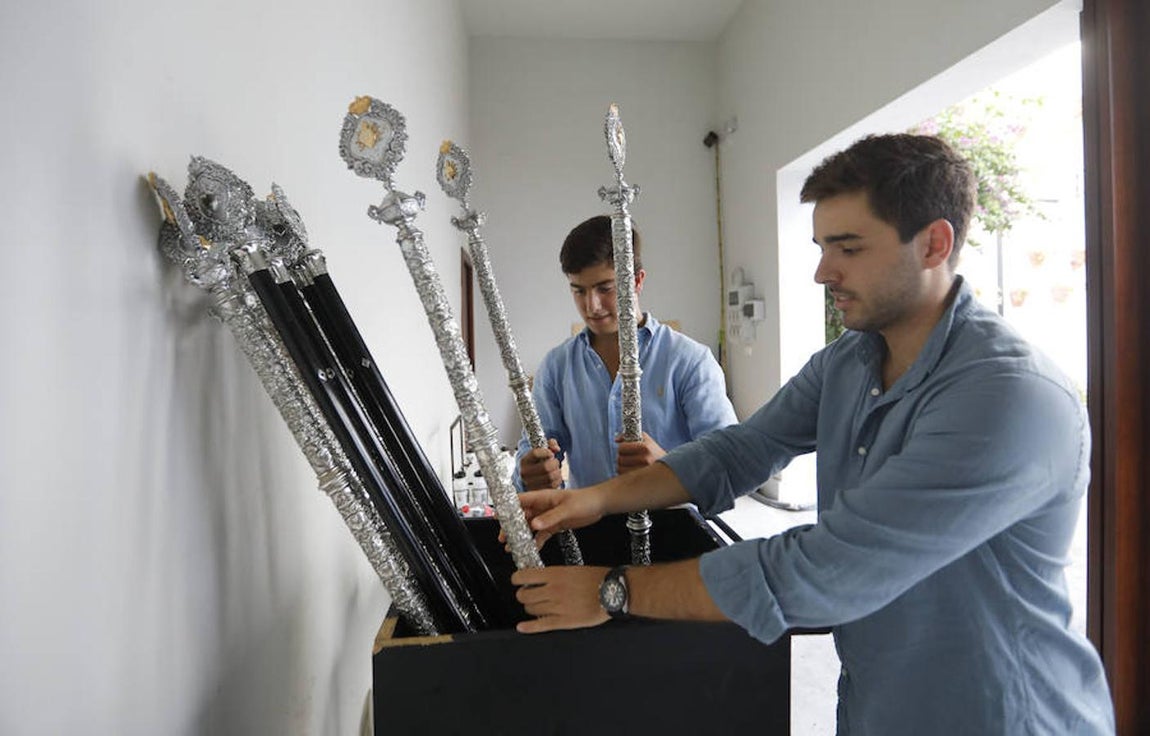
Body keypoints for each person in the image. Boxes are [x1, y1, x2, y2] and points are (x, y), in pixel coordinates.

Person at [511, 135, 1115, 734]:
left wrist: (613, 591)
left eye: (847, 248)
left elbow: (829, 569)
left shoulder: (1006, 397)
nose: (823, 271)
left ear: (934, 244)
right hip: (876, 702)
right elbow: (739, 449)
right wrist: (592, 500)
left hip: (999, 713)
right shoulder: (849, 362)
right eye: (822, 246)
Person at [512, 214, 737, 492]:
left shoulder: (690, 361)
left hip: (676, 527)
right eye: (578, 291)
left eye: (605, 288)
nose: (592, 306)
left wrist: (669, 468)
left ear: (638, 281)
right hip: (591, 530)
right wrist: (529, 472)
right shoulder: (556, 368)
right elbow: (532, 453)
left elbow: (730, 467)